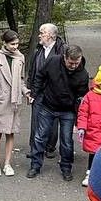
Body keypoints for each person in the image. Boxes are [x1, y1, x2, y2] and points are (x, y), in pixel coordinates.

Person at [27, 44, 89, 181]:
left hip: (68, 111)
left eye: (76, 63)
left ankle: (66, 167)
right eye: (71, 63)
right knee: (40, 136)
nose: (73, 66)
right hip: (48, 106)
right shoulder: (53, 61)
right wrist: (35, 93)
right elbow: (40, 76)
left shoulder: (83, 74)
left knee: (66, 141)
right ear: (64, 57)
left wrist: (79, 120)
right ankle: (35, 165)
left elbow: (82, 99)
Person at [0, 29, 29, 177]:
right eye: (12, 44)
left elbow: (21, 80)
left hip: (14, 101)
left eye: (17, 43)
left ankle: (7, 163)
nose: (15, 46)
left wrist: (26, 91)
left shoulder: (20, 57)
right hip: (0, 100)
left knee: (10, 133)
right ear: (4, 43)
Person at [26, 23, 65, 158]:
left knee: (53, 121)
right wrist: (30, 90)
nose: (39, 35)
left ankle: (49, 147)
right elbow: (32, 72)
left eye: (42, 32)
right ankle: (34, 148)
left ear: (50, 35)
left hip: (54, 94)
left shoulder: (62, 50)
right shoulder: (38, 50)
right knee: (35, 119)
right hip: (37, 91)